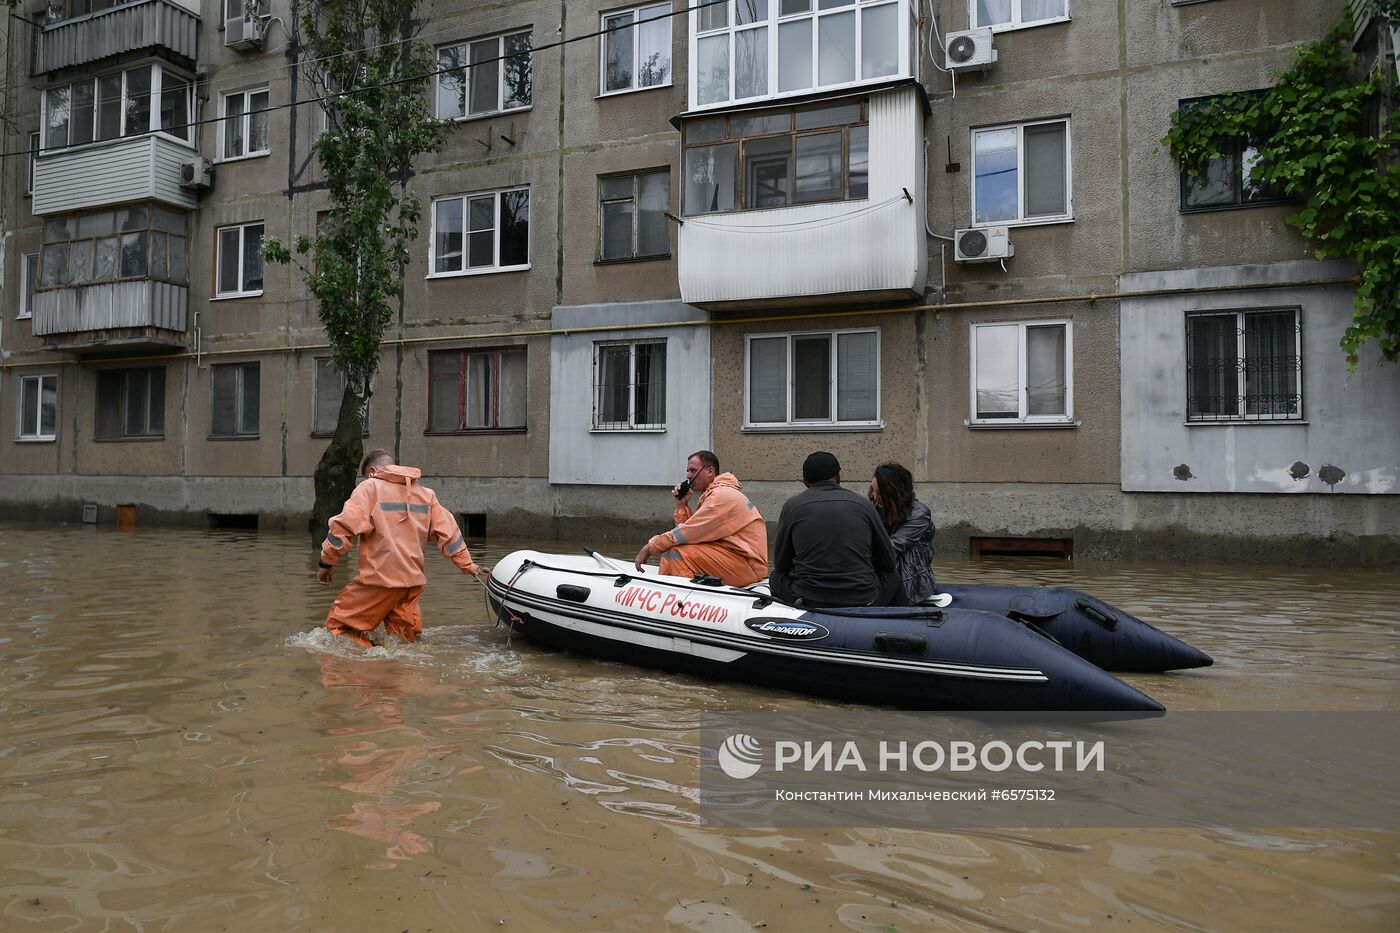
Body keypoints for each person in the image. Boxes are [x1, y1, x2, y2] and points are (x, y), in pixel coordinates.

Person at [317, 449, 482, 648]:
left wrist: (326, 562)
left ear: (372, 471)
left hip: (379, 580)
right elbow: (451, 533)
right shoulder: (425, 495)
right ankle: (396, 674)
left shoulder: (370, 487)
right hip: (410, 583)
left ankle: (363, 669)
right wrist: (468, 565)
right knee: (405, 643)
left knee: (338, 631)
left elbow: (342, 528)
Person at [770, 451, 904, 608]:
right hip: (863, 598)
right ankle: (902, 620)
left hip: (808, 598)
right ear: (839, 477)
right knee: (892, 576)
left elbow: (780, 564)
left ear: (805, 482)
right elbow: (888, 562)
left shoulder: (792, 506)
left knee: (775, 576)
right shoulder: (864, 505)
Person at [633, 450, 769, 587]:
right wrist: (682, 506)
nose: (688, 476)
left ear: (710, 471)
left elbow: (687, 533)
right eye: (687, 471)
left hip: (747, 566)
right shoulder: (718, 494)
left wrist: (650, 547)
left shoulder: (720, 497)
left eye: (693, 470)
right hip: (740, 561)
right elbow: (691, 536)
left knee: (674, 553)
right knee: (678, 548)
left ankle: (679, 600)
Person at [869, 462, 936, 603]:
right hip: (881, 577)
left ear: (894, 493)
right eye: (872, 491)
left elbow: (892, 548)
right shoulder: (875, 509)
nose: (874, 497)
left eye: (879, 493)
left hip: (910, 583)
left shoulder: (919, 514)